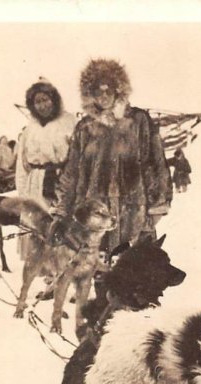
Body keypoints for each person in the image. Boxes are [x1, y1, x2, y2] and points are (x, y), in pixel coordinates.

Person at [50, 58, 173, 253]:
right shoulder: (85, 128)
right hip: (94, 216)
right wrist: (61, 211)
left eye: (109, 90)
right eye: (99, 90)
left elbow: (156, 165)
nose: (104, 95)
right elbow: (70, 173)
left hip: (133, 212)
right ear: (91, 94)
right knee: (99, 271)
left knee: (133, 271)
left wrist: (156, 208)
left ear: (119, 91)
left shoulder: (139, 121)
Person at [15, 78, 77, 260]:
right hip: (36, 183)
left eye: (45, 100)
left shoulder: (69, 121)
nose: (42, 106)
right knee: (39, 229)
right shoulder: (30, 129)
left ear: (54, 99)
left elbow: (78, 156)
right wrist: (22, 194)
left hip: (62, 180)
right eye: (37, 102)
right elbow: (22, 164)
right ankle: (44, 270)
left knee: (62, 227)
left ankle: (60, 272)